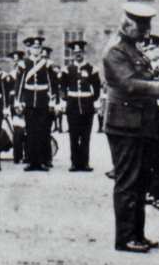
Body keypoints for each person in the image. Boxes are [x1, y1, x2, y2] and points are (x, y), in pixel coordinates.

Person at [101, 3, 159, 252]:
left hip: (139, 125)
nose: (146, 31)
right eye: (142, 25)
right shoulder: (116, 52)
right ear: (128, 24)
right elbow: (129, 84)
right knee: (128, 182)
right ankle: (126, 237)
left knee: (140, 181)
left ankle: (137, 233)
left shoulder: (132, 51)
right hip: (125, 125)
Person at [15, 37, 58, 172]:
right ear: (29, 49)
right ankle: (31, 162)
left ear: (41, 49)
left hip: (42, 101)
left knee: (43, 132)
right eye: (34, 48)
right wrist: (19, 100)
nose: (36, 50)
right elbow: (20, 84)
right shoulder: (24, 64)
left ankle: (43, 161)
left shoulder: (47, 64)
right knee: (30, 132)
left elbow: (52, 84)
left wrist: (52, 101)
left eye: (38, 48)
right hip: (29, 101)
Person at [62, 41, 100, 172]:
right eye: (75, 53)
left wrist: (94, 102)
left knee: (85, 136)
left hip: (87, 105)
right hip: (72, 105)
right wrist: (64, 101)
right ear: (72, 54)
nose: (78, 55)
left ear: (84, 53)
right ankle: (74, 163)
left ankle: (85, 163)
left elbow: (96, 88)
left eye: (80, 53)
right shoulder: (68, 69)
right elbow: (63, 87)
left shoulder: (91, 69)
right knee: (73, 135)